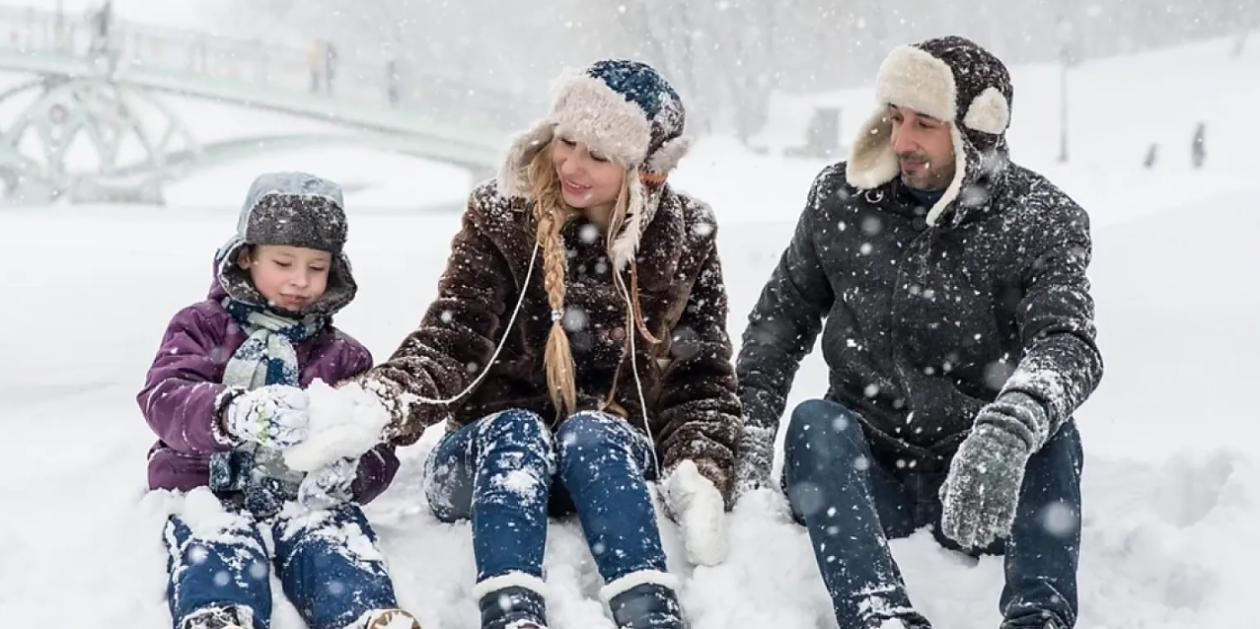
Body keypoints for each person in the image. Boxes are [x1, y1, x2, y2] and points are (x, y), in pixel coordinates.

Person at [350, 59, 742, 629]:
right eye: (567, 141)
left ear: (645, 172)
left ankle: (651, 613)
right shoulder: (502, 215)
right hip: (489, 462)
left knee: (596, 430)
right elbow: (453, 336)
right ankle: (512, 615)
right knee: (517, 429)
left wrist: (699, 467)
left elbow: (700, 374)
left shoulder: (686, 236)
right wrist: (381, 401)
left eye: (599, 156)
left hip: (606, 466)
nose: (572, 166)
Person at [733, 36, 1104, 629]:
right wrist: (748, 432)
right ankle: (879, 613)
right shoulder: (840, 200)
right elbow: (781, 320)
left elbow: (1069, 344)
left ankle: (1039, 616)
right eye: (896, 118)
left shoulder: (1041, 218)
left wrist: (1007, 431)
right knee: (813, 423)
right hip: (863, 480)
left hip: (982, 483)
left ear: (974, 132)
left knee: (1051, 430)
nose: (902, 141)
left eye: (925, 124)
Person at [137, 172, 421, 629]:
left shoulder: (344, 355)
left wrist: (352, 472)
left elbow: (374, 442)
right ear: (247, 256)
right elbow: (165, 398)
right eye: (284, 263)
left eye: (316, 267)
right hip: (208, 487)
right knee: (217, 543)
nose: (300, 281)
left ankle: (363, 614)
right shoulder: (201, 326)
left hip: (302, 499)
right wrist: (231, 414)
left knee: (331, 539)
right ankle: (218, 615)